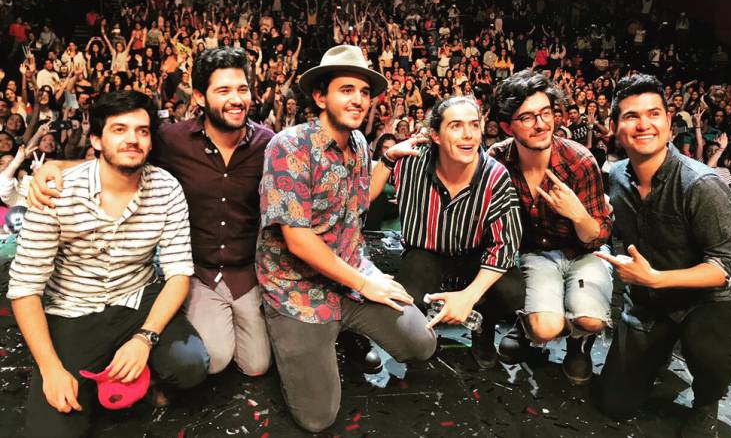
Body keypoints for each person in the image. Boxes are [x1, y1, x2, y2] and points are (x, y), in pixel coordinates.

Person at [28, 47, 275, 378]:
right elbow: (122, 156)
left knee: (257, 366)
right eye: (223, 90)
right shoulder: (172, 140)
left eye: (242, 89)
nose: (236, 99)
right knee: (213, 360)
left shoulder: (269, 145)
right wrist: (58, 166)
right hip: (198, 272)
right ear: (199, 97)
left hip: (245, 271)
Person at [7, 90, 209, 437]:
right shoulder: (55, 191)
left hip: (136, 297)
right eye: (119, 129)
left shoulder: (166, 188)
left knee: (190, 364)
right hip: (73, 308)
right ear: (97, 140)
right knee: (52, 430)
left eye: (142, 131)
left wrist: (144, 338)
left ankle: (140, 373)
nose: (133, 139)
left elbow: (178, 274)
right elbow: (25, 287)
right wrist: (51, 368)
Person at [257, 45, 436, 433]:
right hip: (299, 290)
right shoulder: (289, 146)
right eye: (347, 89)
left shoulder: (357, 143)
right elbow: (298, 240)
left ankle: (347, 332)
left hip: (350, 273)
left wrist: (389, 159)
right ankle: (290, 338)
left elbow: (359, 198)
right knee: (317, 418)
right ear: (321, 97)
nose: (358, 99)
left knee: (422, 344)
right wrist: (366, 285)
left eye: (365, 92)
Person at [594, 74, 731, 436]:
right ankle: (654, 355)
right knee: (614, 405)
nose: (644, 124)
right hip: (648, 303)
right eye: (631, 116)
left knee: (710, 351)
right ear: (615, 127)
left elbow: (729, 266)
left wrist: (657, 278)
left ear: (668, 122)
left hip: (702, 302)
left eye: (654, 114)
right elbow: (613, 235)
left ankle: (707, 398)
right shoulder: (616, 176)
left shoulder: (701, 184)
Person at [369, 95, 524, 370]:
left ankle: (483, 329)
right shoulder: (411, 162)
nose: (468, 134)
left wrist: (470, 296)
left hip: (475, 253)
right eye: (456, 126)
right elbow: (364, 196)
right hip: (426, 253)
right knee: (406, 299)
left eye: (474, 125)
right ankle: (422, 337)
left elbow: (505, 244)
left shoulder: (495, 174)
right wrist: (389, 157)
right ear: (435, 136)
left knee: (513, 291)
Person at [489, 70, 613, 385]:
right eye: (527, 117)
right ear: (507, 126)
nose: (542, 124)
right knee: (545, 328)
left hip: (584, 252)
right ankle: (527, 323)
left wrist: (578, 215)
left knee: (591, 320)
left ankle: (579, 344)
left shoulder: (579, 161)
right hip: (536, 253)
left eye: (546, 113)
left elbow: (597, 236)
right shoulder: (498, 160)